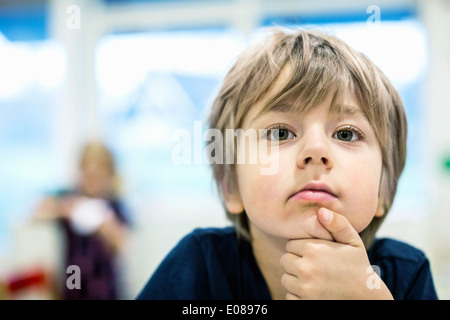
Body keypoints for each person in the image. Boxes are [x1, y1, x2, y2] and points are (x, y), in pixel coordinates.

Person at [136, 28, 438, 300]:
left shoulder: (406, 275)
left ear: (384, 189)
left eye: (346, 134)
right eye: (281, 133)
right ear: (231, 185)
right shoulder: (199, 264)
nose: (316, 151)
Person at [33, 140, 129, 299]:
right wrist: (65, 209)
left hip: (104, 286)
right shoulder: (68, 198)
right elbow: (38, 212)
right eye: (88, 174)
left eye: (99, 174)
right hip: (73, 283)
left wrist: (101, 222)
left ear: (110, 175)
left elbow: (122, 244)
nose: (92, 179)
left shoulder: (114, 205)